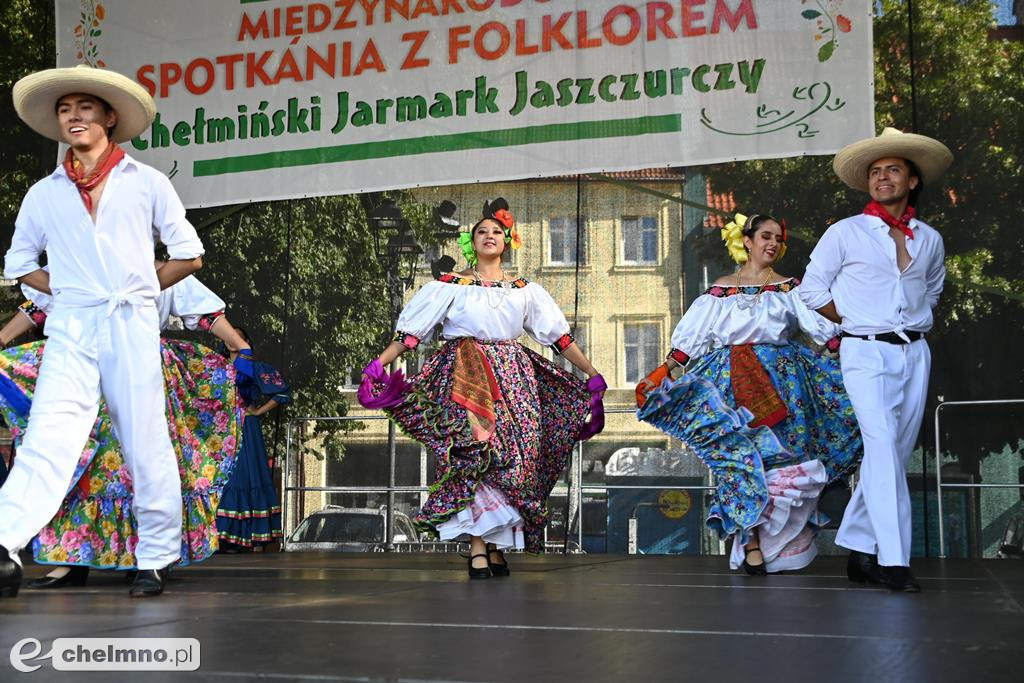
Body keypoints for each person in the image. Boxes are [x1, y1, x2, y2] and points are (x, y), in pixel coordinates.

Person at [0, 65, 204, 599]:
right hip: (72, 323)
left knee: (144, 439)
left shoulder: (147, 181)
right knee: (48, 435)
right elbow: (19, 261)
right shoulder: (44, 193)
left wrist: (136, 286)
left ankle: (155, 557)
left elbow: (189, 254)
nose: (74, 118)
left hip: (131, 320)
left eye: (84, 108)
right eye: (65, 111)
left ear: (109, 117)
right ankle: (3, 545)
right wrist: (66, 290)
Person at [358, 198, 605, 578]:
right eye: (481, 232)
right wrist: (380, 362)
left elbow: (559, 339)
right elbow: (411, 335)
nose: (489, 236)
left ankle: (495, 544)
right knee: (477, 454)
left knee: (516, 459)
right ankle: (477, 546)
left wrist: (590, 372)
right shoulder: (450, 286)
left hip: (513, 376)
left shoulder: (525, 290)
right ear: (471, 243)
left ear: (508, 242)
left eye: (496, 232)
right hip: (466, 373)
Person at [636, 214, 862, 574]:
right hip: (729, 383)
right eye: (765, 236)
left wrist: (855, 350)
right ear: (748, 240)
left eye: (778, 237)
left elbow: (824, 331)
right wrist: (662, 372)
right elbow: (690, 343)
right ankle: (751, 539)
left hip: (784, 384)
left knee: (781, 462)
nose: (772, 242)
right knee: (739, 461)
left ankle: (783, 546)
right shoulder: (719, 291)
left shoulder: (791, 288)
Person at [0, 271, 248, 588]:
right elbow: (40, 307)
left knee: (140, 465)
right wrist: (2, 338)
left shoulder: (158, 267)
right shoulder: (81, 261)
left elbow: (205, 313)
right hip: (89, 366)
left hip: (141, 367)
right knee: (85, 461)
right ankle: (72, 558)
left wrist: (241, 348)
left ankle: (149, 558)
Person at [800, 127, 952, 592]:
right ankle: (894, 560)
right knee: (882, 449)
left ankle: (860, 550)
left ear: (912, 182)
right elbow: (810, 290)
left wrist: (908, 319)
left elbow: (931, 290)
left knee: (894, 456)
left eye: (892, 170)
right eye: (875, 172)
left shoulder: (929, 238)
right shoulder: (844, 232)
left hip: (914, 352)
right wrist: (851, 319)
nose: (882, 178)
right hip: (864, 351)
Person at [216, 328, 290, 551]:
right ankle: (222, 537)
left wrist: (258, 412)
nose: (232, 340)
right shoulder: (215, 366)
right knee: (221, 478)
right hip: (220, 429)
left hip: (245, 428)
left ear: (246, 342)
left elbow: (282, 392)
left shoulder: (255, 368)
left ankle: (250, 536)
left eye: (238, 337)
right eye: (229, 336)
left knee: (244, 477)